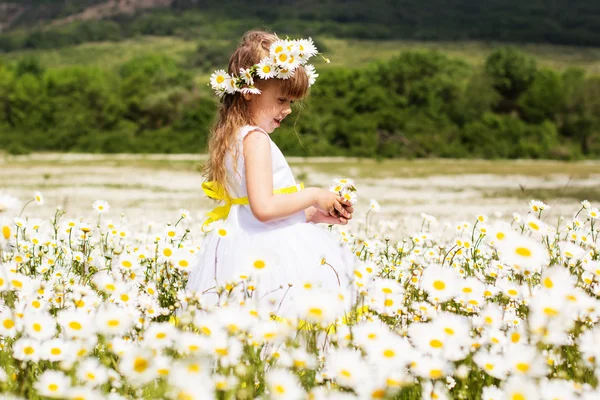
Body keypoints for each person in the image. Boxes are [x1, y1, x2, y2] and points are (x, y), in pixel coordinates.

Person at [185, 30, 358, 316]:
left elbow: (254, 212)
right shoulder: (255, 139)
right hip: (270, 252)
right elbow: (264, 209)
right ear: (249, 92)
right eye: (281, 100)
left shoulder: (234, 136)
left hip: (242, 242)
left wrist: (313, 215)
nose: (288, 110)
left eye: (291, 102)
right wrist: (313, 195)